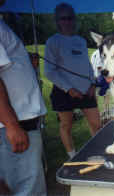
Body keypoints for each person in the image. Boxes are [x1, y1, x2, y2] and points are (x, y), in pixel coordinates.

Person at [44, 3, 101, 159]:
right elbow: (49, 71)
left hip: (86, 90)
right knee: (66, 125)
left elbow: (87, 66)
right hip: (64, 91)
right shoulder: (52, 42)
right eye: (63, 18)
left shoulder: (81, 41)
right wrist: (69, 89)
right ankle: (72, 156)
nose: (68, 21)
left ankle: (97, 154)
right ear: (57, 21)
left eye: (70, 18)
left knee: (96, 124)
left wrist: (92, 84)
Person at [0, 17, 47, 196]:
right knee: (27, 190)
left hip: (17, 121)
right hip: (13, 124)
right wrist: (12, 125)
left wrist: (24, 61)